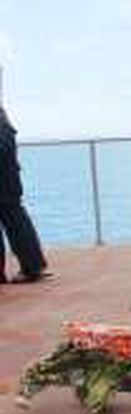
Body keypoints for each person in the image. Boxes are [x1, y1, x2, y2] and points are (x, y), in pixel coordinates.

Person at [0, 105, 50, 284]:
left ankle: (32, 267)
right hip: (8, 183)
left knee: (18, 226)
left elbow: (3, 148)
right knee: (18, 225)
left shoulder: (2, 126)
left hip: (4, 185)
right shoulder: (4, 124)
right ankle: (32, 266)